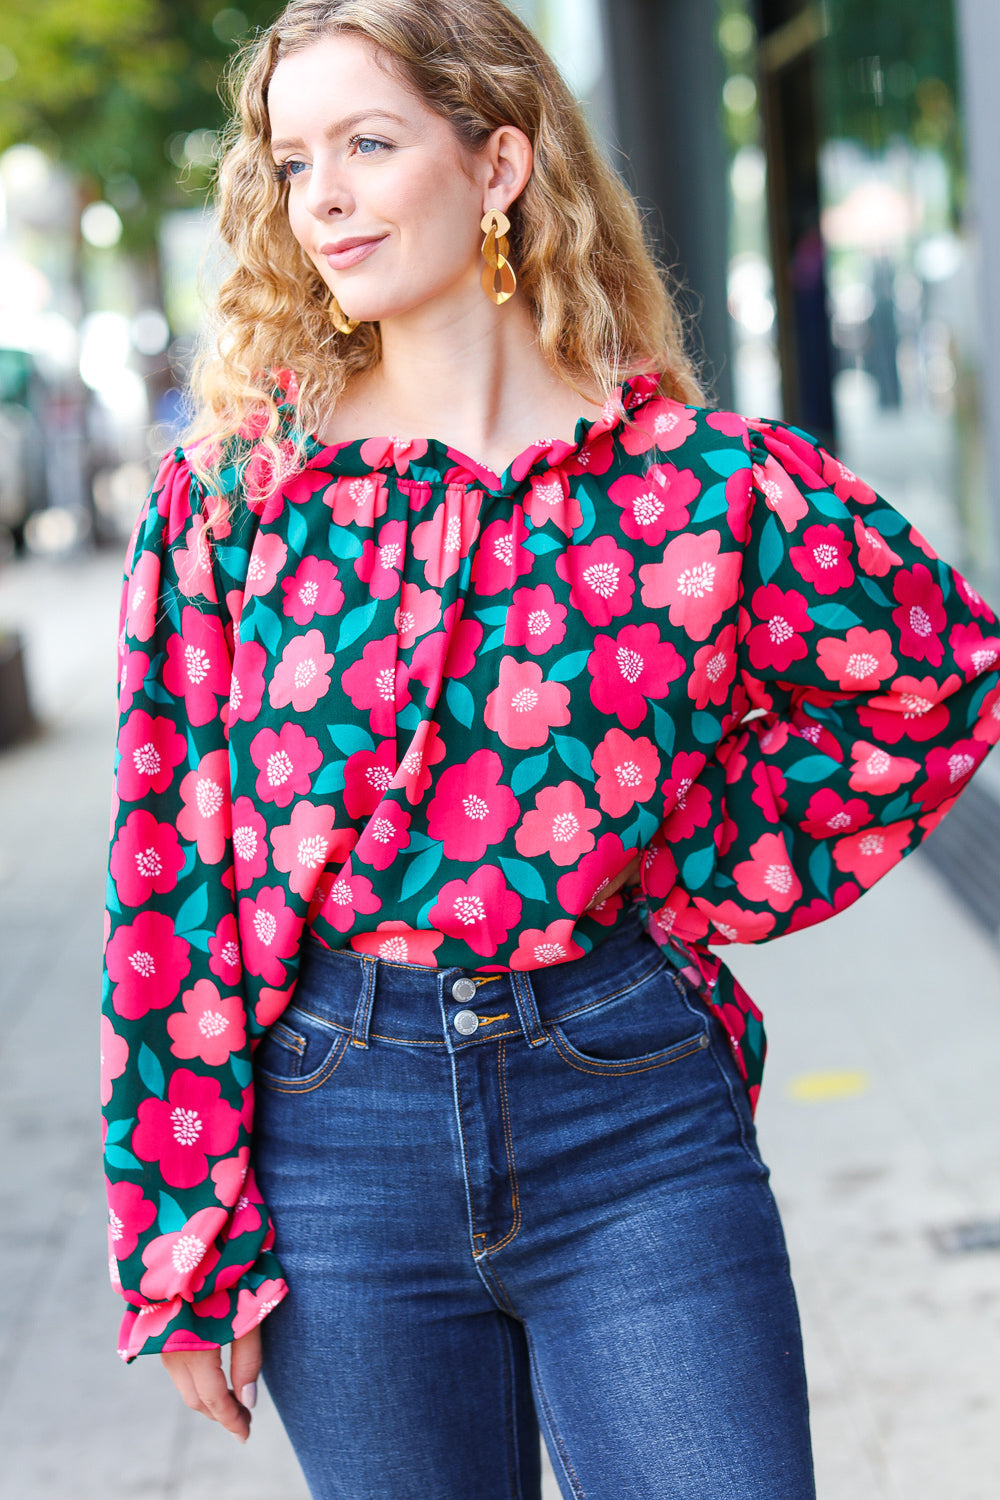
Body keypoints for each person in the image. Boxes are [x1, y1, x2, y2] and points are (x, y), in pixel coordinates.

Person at [101, 3, 1000, 1497]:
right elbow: (169, 863)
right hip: (338, 1132)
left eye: (370, 144)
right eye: (293, 157)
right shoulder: (237, 503)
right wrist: (177, 1232)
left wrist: (690, 867)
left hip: (632, 1110)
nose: (320, 194)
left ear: (499, 159)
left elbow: (932, 678)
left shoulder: (701, 491)